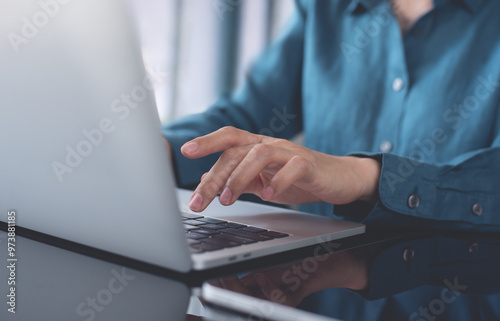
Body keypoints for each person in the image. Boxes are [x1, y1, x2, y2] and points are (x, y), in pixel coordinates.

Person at [163, 0, 500, 232]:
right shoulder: (323, 7)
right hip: (315, 287)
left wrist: (362, 176)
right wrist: (160, 152)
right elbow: (248, 117)